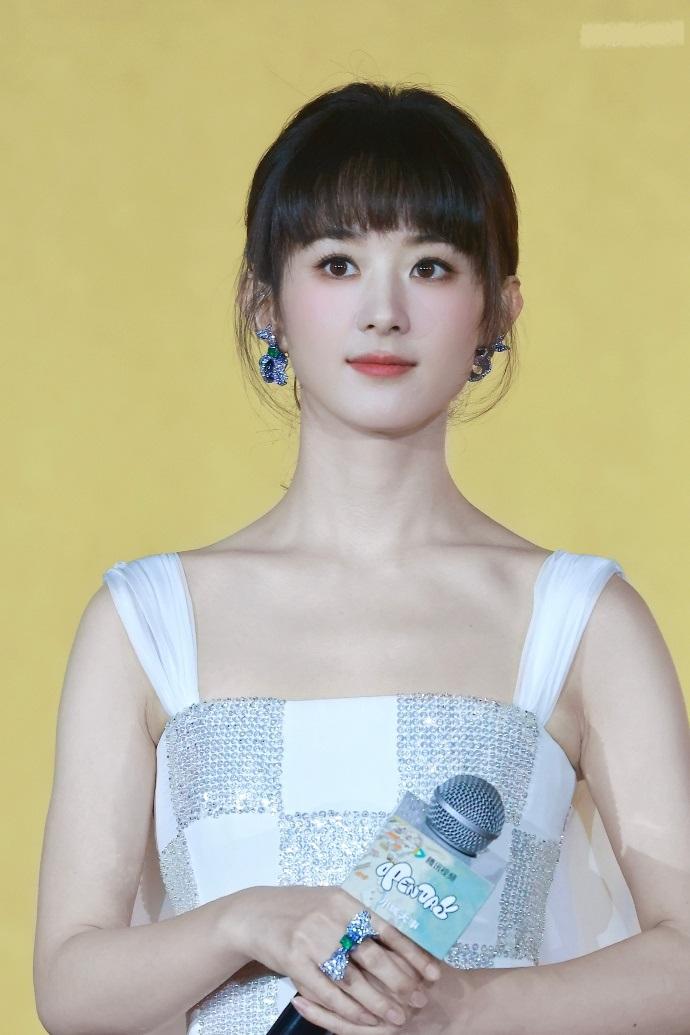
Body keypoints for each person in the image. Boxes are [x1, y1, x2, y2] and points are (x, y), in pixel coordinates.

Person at [33, 81, 690, 1035]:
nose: (384, 311)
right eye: (338, 263)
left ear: (497, 312)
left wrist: (460, 1007)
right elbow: (70, 985)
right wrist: (246, 921)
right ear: (266, 302)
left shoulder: (581, 618)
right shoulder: (148, 620)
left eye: (431, 266)